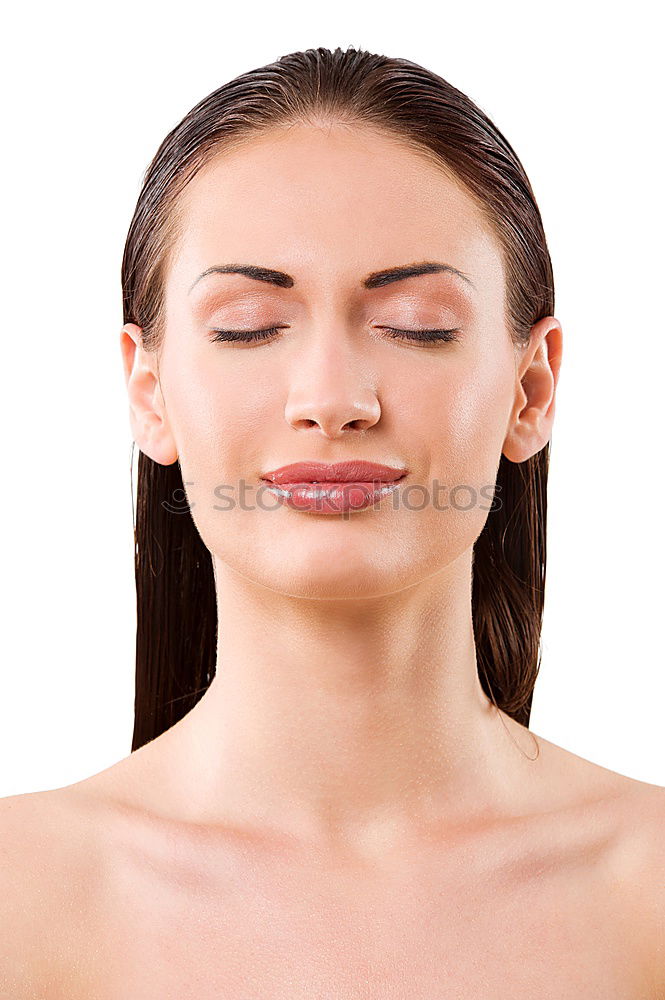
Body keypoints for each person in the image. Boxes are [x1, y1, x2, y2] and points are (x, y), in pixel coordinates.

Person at [2, 45, 663, 997]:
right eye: (246, 325)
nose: (331, 399)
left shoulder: (646, 896)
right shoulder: (18, 899)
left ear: (531, 387)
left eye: (417, 324)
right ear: (148, 392)